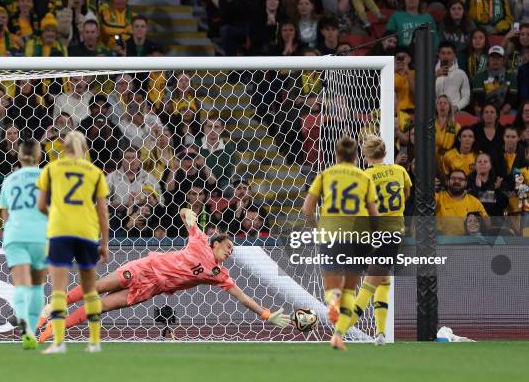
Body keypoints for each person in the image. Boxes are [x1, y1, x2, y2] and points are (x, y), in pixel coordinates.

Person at [37, 208, 290, 342]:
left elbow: (243, 297)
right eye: (228, 247)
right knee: (99, 286)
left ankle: (56, 328)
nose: (230, 252)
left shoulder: (218, 274)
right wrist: (188, 212)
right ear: (216, 243)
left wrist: (266, 314)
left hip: (152, 288)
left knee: (100, 306)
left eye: (232, 250)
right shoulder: (200, 240)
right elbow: (183, 212)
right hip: (146, 268)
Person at [301, 136, 378, 351]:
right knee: (350, 290)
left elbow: (307, 209)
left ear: (336, 155)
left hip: (331, 233)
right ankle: (338, 335)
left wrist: (315, 226)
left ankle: (332, 302)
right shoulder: (364, 178)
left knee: (332, 286)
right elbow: (374, 214)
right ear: (356, 156)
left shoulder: (325, 175)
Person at [36, 131, 110, 354]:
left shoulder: (51, 169)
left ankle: (59, 343)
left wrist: (55, 218)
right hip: (87, 232)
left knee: (58, 290)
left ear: (63, 147)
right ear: (85, 149)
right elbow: (103, 212)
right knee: (90, 289)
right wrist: (104, 243)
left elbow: (40, 205)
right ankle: (94, 342)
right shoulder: (95, 172)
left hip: (60, 232)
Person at [346, 135, 411, 346]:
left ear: (366, 155)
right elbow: (407, 193)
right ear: (384, 153)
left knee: (381, 279)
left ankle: (380, 333)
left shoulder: (364, 176)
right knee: (372, 282)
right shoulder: (400, 171)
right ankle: (342, 330)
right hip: (393, 233)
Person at [0, 140, 47, 350]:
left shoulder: (9, 181)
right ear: (39, 157)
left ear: (19, 157)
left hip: (16, 235)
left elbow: (4, 215)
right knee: (37, 286)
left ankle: (21, 317)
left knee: (21, 285)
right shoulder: (48, 179)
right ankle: (30, 332)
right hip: (41, 236)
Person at [436, 170, 490, 235]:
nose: (456, 181)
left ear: (465, 183)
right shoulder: (438, 197)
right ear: (447, 182)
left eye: (460, 179)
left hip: (468, 242)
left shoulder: (474, 201)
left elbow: (487, 223)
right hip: (443, 242)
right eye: (453, 178)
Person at [472, 45, 518, 114]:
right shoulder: (479, 76)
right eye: (492, 58)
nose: (495, 60)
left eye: (498, 58)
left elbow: (512, 98)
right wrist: (490, 113)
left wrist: (501, 112)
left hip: (504, 110)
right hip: (485, 110)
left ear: (504, 60)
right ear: (488, 59)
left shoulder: (511, 76)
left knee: (514, 114)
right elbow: (479, 99)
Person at [435, 41, 471, 112]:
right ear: (439, 55)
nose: (445, 56)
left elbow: (466, 97)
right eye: (443, 53)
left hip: (454, 111)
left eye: (449, 53)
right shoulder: (431, 73)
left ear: (454, 55)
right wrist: (435, 76)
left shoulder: (461, 73)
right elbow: (423, 93)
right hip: (434, 111)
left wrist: (457, 107)